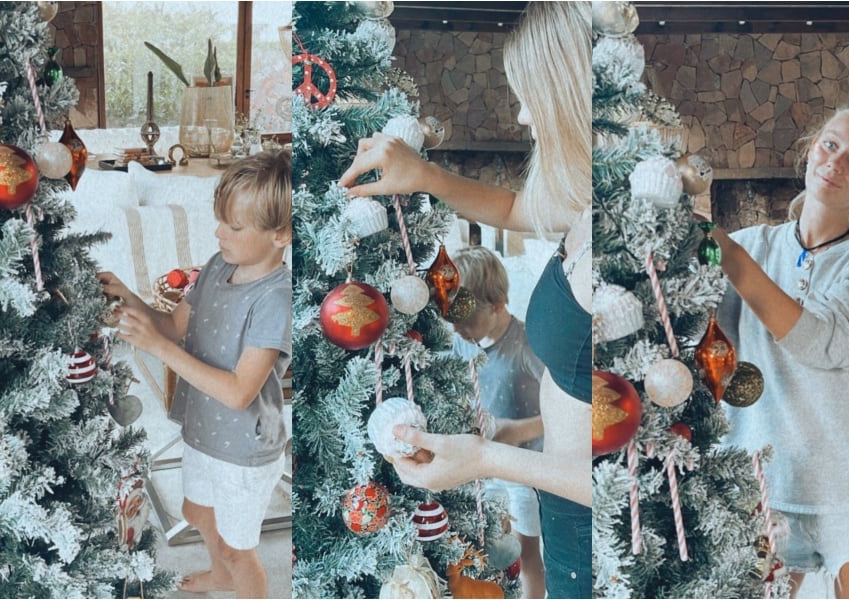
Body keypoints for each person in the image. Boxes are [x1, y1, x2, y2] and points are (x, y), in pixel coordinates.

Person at [339, 3, 593, 596]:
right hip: (562, 511)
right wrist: (422, 174)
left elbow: (617, 479)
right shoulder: (583, 209)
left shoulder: (622, 243)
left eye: (533, 96)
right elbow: (510, 209)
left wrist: (484, 458)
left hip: (588, 526)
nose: (526, 117)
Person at [712, 84, 849, 599]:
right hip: (758, 484)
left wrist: (722, 249)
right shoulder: (749, 247)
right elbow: (702, 340)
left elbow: (821, 340)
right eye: (830, 146)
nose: (836, 164)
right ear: (812, 146)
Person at [98, 150, 292, 599]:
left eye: (234, 226)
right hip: (202, 431)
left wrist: (160, 348)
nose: (218, 232)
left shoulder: (274, 301)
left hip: (243, 451)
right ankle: (220, 575)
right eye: (219, 219)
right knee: (198, 512)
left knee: (236, 548)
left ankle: (236, 578)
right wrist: (127, 294)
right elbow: (172, 327)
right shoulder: (218, 267)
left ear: (279, 234)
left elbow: (241, 393)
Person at [449, 245, 546, 599]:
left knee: (526, 557)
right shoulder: (462, 346)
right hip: (481, 470)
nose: (457, 328)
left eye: (467, 318)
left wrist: (519, 430)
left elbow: (567, 412)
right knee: (485, 553)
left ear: (498, 304)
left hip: (523, 474)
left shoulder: (528, 345)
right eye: (452, 318)